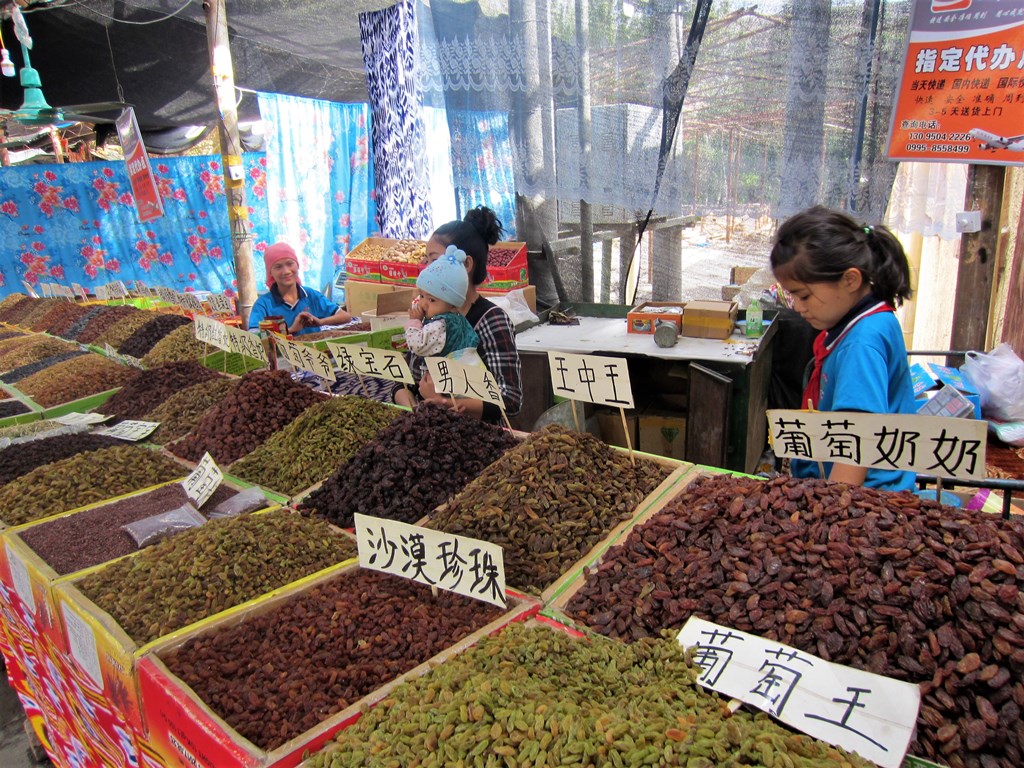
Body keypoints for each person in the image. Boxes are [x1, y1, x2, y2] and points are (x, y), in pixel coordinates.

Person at [770, 205, 916, 491]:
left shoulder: (861, 344)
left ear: (850, 280)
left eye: (804, 296)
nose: (798, 308)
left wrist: (832, 511)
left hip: (865, 497)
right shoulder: (872, 319)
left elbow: (855, 443)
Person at [395, 206, 523, 423]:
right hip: (428, 429)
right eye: (426, 261)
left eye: (434, 260)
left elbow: (510, 400)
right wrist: (417, 412)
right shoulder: (430, 315)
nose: (426, 268)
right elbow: (403, 382)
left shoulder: (491, 320)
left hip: (473, 437)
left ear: (466, 265)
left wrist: (444, 403)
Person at [247, 242, 352, 336]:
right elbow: (253, 336)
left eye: (290, 263)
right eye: (278, 267)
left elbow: (345, 316)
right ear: (270, 273)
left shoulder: (310, 295)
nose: (286, 271)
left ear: (297, 265)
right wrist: (291, 329)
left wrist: (320, 322)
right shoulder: (264, 304)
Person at [405, 245, 480, 357]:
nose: (423, 304)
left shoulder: (440, 324)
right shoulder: (452, 318)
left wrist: (414, 322)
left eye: (431, 300)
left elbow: (417, 346)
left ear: (453, 306)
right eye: (421, 296)